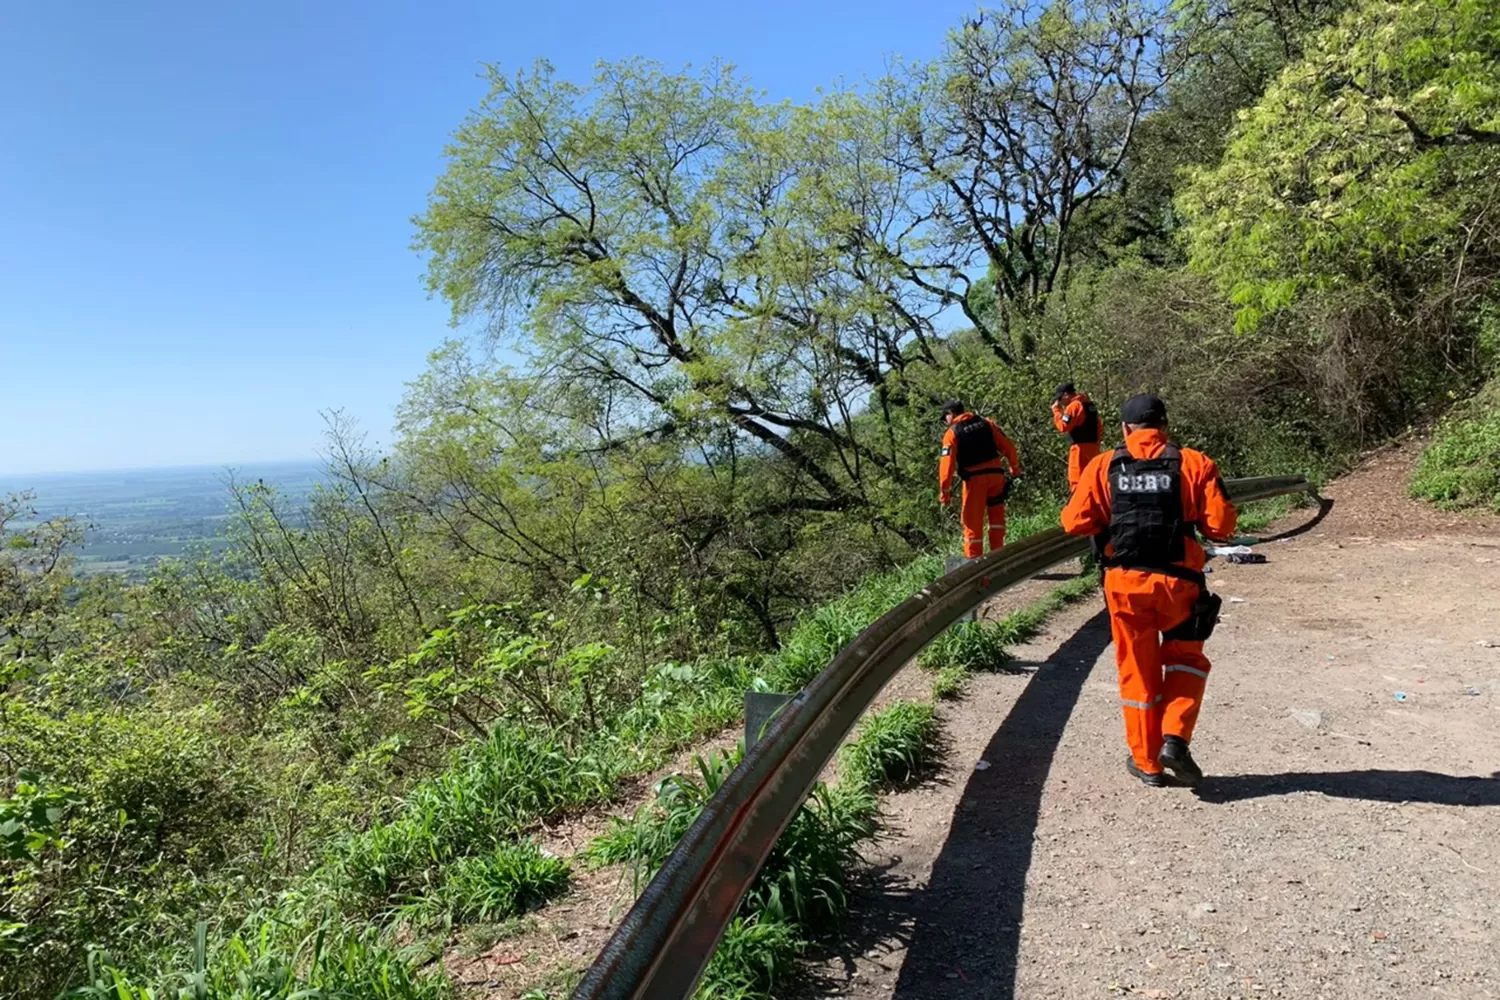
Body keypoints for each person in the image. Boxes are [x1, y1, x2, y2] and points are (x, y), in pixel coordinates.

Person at [1060, 394, 1238, 787]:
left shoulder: (1103, 465)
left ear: (1124, 430)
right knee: (1186, 658)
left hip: (1125, 585)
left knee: (1137, 672)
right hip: (1180, 583)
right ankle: (1174, 738)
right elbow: (1221, 526)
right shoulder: (1194, 462)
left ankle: (1148, 763)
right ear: (1165, 426)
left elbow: (1073, 521)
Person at [939, 400, 1023, 559]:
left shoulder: (952, 433)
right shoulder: (986, 423)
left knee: (972, 526)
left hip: (975, 482)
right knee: (997, 521)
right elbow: (1008, 446)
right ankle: (998, 559)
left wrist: (945, 493)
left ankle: (976, 569)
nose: (945, 422)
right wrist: (1014, 468)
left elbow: (946, 466)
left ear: (951, 414)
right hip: (996, 477)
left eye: (945, 418)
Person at [1052, 382, 1104, 493]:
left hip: (1079, 450)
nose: (1060, 403)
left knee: (1077, 482)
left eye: (1060, 399)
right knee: (1093, 479)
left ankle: (1079, 507)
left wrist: (1056, 411)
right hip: (1094, 448)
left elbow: (1063, 426)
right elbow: (1099, 427)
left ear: (1066, 395)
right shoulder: (1089, 405)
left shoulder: (1074, 406)